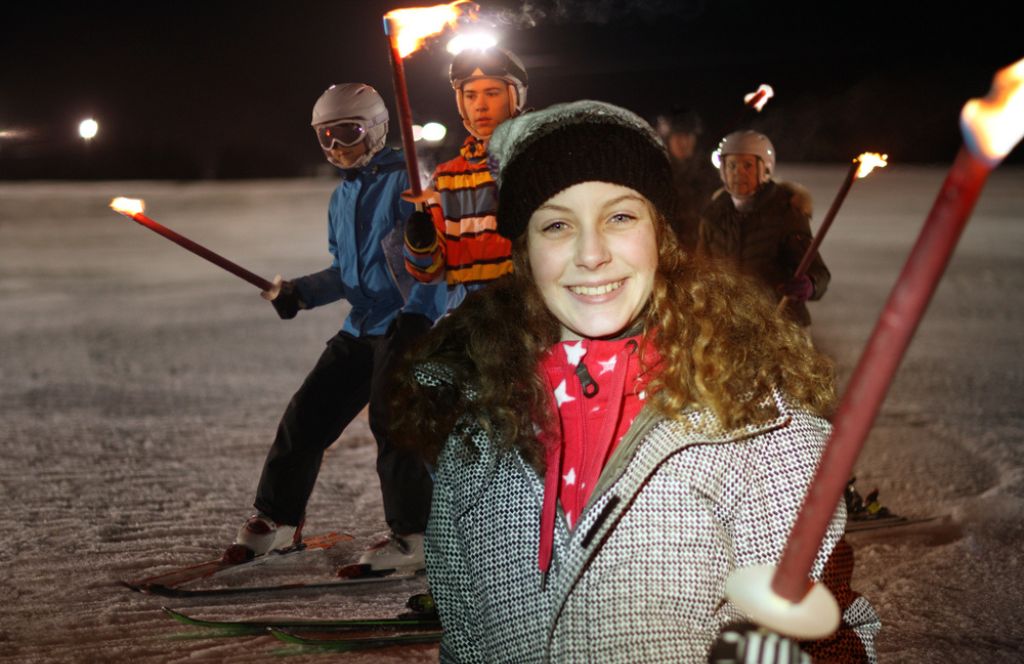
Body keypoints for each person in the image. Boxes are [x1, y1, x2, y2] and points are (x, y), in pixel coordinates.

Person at [392, 101, 879, 661]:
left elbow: (835, 633)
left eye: (620, 217)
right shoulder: (478, 433)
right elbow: (467, 643)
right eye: (556, 224)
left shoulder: (758, 430)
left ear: (661, 236)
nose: (592, 254)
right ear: (524, 252)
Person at [223, 83, 446, 574]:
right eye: (326, 137)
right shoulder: (341, 197)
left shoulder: (411, 181)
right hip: (361, 325)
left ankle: (414, 536)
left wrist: (421, 312)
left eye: (349, 133)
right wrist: (299, 292)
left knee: (394, 425)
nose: (337, 147)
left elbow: (438, 263)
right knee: (306, 416)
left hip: (407, 323)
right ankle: (278, 519)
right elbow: (348, 274)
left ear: (378, 129)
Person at [402, 46, 528, 311]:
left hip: (526, 316)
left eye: (492, 94)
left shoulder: (536, 163)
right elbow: (429, 273)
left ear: (515, 96)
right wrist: (421, 246)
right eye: (470, 96)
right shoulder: (446, 178)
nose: (480, 105)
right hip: (465, 320)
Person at [697, 130, 830, 326]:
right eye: (732, 165)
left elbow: (818, 272)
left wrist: (810, 284)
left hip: (778, 326)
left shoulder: (785, 212)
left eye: (747, 165)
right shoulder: (713, 215)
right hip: (727, 325)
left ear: (765, 169)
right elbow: (700, 270)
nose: (738, 173)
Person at [655, 105, 719, 249]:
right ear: (667, 139)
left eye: (688, 136)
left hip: (702, 251)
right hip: (667, 252)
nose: (684, 142)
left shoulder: (708, 172)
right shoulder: (657, 173)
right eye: (678, 136)